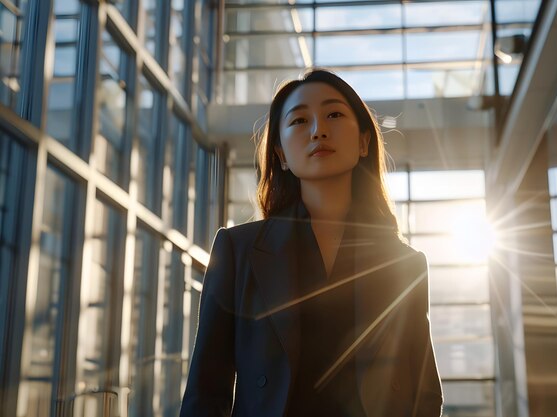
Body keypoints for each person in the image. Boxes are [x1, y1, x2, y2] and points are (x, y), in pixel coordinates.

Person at [180, 69, 443, 417]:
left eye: (334, 114)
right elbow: (206, 390)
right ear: (282, 155)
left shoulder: (404, 263)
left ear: (364, 142)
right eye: (300, 120)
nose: (318, 130)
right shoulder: (237, 250)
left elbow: (424, 394)